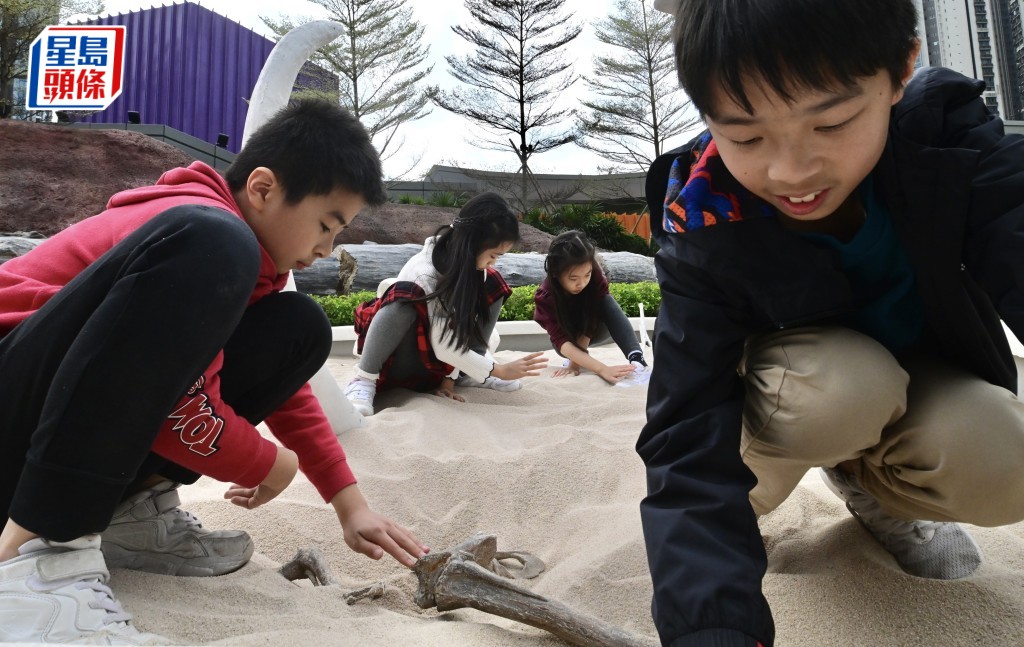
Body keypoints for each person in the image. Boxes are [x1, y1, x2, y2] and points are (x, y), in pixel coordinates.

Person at [638, 1, 1024, 645]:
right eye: (746, 137)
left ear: (903, 67)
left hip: (913, 386)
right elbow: (686, 437)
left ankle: (873, 494)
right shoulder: (705, 216)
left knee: (1004, 455)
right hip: (795, 404)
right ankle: (736, 529)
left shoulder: (945, 134)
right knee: (841, 386)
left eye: (833, 122)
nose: (790, 171)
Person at [0, 99, 428, 644]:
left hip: (41, 438)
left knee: (300, 326)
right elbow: (160, 398)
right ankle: (35, 563)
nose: (326, 249)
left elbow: (282, 390)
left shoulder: (240, 262)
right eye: (326, 224)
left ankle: (127, 517)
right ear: (264, 189)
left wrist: (350, 503)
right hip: (17, 407)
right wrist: (268, 462)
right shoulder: (203, 236)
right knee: (216, 244)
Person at [344, 192, 548, 416]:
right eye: (492, 255)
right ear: (471, 245)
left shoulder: (471, 268)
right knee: (405, 295)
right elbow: (442, 343)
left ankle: (473, 370)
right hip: (403, 359)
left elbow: (459, 326)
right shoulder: (425, 274)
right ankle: (364, 379)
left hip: (440, 360)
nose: (493, 262)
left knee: (494, 282)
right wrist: (499, 370)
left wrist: (449, 381)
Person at [533, 230, 647, 385]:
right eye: (573, 278)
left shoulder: (595, 277)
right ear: (555, 273)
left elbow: (593, 317)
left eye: (587, 275)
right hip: (567, 342)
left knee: (606, 300)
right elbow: (561, 341)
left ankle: (636, 357)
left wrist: (579, 361)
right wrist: (599, 368)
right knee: (569, 350)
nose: (582, 283)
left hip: (598, 330)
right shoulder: (545, 297)